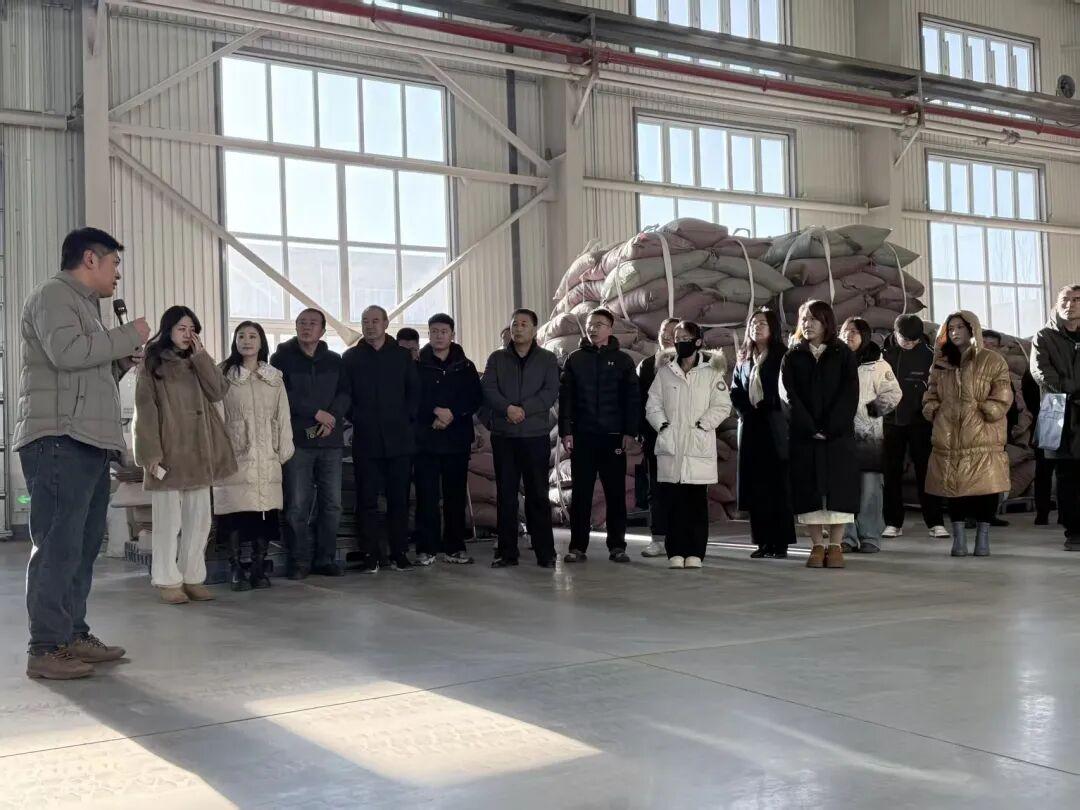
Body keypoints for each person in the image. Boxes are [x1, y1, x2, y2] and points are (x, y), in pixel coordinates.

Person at [14, 228, 151, 679]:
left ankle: (72, 633)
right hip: (59, 439)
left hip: (87, 440)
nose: (117, 274)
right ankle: (45, 647)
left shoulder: (86, 309)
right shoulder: (54, 295)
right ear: (91, 259)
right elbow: (67, 353)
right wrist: (128, 334)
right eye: (114, 263)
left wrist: (119, 362)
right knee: (58, 546)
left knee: (83, 546)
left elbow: (83, 375)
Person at [134, 307, 237, 603]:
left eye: (192, 329)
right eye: (181, 328)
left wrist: (201, 357)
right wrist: (150, 453)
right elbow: (146, 410)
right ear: (168, 330)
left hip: (201, 449)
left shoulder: (198, 360)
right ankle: (167, 579)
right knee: (168, 521)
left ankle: (192, 576)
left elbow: (218, 392)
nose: (187, 334)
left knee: (200, 519)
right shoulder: (153, 363)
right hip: (170, 449)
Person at [923, 310, 1013, 557]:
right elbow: (931, 392)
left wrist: (989, 409)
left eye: (960, 327)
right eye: (951, 328)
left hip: (983, 433)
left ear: (972, 329)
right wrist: (932, 408)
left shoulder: (992, 360)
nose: (955, 332)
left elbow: (1003, 393)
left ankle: (983, 538)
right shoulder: (941, 363)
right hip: (949, 433)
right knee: (954, 488)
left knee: (987, 487)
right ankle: (959, 539)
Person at [214, 321, 295, 590]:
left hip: (267, 456)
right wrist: (220, 451)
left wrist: (283, 450)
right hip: (235, 456)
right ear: (234, 341)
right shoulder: (224, 375)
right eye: (241, 336)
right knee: (234, 514)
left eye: (252, 336)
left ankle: (259, 567)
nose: (246, 341)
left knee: (265, 514)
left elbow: (282, 415)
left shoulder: (273, 378)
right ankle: (235, 567)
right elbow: (217, 416)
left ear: (261, 342)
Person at [780, 300, 860, 569]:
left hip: (837, 435)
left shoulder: (843, 354)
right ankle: (816, 545)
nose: (808, 324)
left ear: (827, 322)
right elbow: (788, 395)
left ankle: (835, 546)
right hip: (804, 436)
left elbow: (850, 394)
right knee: (808, 490)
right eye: (804, 319)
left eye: (814, 319)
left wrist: (831, 427)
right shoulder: (792, 356)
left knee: (839, 490)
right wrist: (809, 427)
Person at [270, 308, 349, 580]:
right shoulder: (281, 359)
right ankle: (299, 561)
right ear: (295, 327)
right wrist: (316, 413)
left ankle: (325, 559)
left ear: (323, 330)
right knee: (297, 504)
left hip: (330, 441)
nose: (307, 327)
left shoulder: (335, 360)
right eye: (302, 323)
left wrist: (332, 417)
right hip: (297, 442)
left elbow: (345, 393)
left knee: (332, 504)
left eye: (313, 323)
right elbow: (282, 395)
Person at [645, 321, 731, 569]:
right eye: (677, 338)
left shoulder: (711, 372)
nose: (680, 342)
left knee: (696, 503)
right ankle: (675, 551)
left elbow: (722, 405)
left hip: (697, 444)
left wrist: (704, 425)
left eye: (685, 338)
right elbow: (653, 404)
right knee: (673, 502)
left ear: (698, 341)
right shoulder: (665, 372)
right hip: (672, 443)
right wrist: (662, 425)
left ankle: (695, 552)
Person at [342, 305, 420, 572]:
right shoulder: (351, 358)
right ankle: (371, 554)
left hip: (399, 440)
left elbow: (414, 392)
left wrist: (405, 419)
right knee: (367, 500)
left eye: (375, 320)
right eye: (365, 321)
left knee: (399, 499)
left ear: (386, 324)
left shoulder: (401, 356)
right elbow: (346, 395)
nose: (370, 325)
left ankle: (399, 552)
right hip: (366, 440)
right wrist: (358, 418)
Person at [560, 308, 640, 564]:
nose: (593, 329)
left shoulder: (623, 361)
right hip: (583, 437)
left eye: (599, 324)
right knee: (581, 494)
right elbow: (566, 399)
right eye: (590, 324)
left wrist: (630, 432)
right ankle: (577, 546)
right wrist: (566, 431)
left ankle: (617, 546)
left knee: (615, 494)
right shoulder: (575, 360)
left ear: (610, 328)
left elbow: (632, 400)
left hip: (613, 437)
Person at [482, 309, 560, 567]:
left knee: (538, 494)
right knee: (506, 495)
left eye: (524, 324)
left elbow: (550, 391)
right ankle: (507, 553)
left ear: (534, 330)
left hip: (535, 435)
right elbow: (488, 388)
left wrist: (523, 410)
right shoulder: (497, 358)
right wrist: (507, 409)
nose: (518, 329)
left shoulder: (547, 359)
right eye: (515, 324)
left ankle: (545, 553)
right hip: (504, 436)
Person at [414, 313, 483, 566]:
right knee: (427, 496)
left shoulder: (465, 366)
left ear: (452, 335)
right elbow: (412, 396)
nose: (439, 336)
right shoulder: (418, 365)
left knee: (455, 496)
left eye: (443, 331)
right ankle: (427, 548)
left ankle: (454, 548)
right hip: (426, 439)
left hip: (456, 439)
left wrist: (452, 413)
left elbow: (474, 397)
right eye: (434, 331)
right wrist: (434, 411)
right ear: (429, 334)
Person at [730, 307, 796, 559]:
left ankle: (780, 542)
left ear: (773, 328)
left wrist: (770, 404)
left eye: (762, 323)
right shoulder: (745, 357)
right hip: (750, 424)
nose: (756, 327)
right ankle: (762, 541)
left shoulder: (782, 356)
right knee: (755, 485)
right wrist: (745, 409)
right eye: (753, 323)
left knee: (777, 485)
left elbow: (789, 389)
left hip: (775, 424)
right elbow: (736, 388)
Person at [881, 315, 948, 539]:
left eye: (914, 340)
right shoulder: (883, 355)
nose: (909, 343)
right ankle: (893, 522)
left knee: (926, 473)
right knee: (891, 473)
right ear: (895, 333)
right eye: (905, 339)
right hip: (890, 422)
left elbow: (938, 388)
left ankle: (935, 522)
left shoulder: (930, 356)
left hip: (921, 422)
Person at [839, 318, 902, 554]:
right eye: (845, 331)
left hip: (868, 437)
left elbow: (894, 393)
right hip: (839, 434)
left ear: (864, 336)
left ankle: (870, 536)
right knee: (842, 487)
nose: (849, 335)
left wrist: (870, 413)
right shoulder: (833, 360)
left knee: (869, 488)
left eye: (855, 332)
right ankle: (846, 536)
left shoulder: (878, 364)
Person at [1030, 285, 1080, 551]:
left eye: (1076, 299)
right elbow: (1040, 371)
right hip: (1058, 409)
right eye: (1065, 299)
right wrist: (1070, 390)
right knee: (1066, 474)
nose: (1070, 304)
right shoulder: (1044, 336)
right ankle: (1073, 532)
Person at [636, 317, 679, 558]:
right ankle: (658, 539)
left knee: (684, 488)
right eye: (664, 331)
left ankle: (683, 538)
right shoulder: (647, 365)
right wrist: (642, 432)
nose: (668, 336)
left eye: (674, 331)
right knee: (657, 489)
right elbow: (640, 402)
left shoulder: (693, 363)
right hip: (656, 436)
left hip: (685, 437)